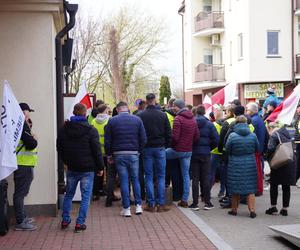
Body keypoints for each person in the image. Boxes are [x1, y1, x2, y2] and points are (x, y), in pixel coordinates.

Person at [57, 103, 104, 233]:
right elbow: (97, 151)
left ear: (73, 112)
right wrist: (100, 167)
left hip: (72, 168)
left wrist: (66, 162)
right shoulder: (91, 130)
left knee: (69, 195)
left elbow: (59, 148)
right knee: (85, 197)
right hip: (88, 169)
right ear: (85, 114)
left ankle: (65, 220)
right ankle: (80, 223)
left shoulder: (64, 129)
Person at [105, 102, 147, 217]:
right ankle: (138, 206)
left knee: (123, 180)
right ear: (127, 109)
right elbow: (143, 138)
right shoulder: (137, 120)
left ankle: (126, 208)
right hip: (133, 153)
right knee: (135, 180)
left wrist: (109, 155)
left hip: (119, 154)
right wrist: (139, 151)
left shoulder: (112, 121)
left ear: (118, 110)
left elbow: (108, 141)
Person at [138, 93, 172, 212]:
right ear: (155, 100)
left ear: (146, 101)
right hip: (160, 147)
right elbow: (169, 133)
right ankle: (161, 203)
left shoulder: (141, 115)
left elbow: (139, 134)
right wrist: (165, 145)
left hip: (147, 148)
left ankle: (151, 204)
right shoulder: (163, 115)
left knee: (148, 176)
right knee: (161, 176)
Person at [166, 99, 199, 208]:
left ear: (179, 107)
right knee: (185, 175)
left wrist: (172, 145)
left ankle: (160, 184)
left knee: (161, 155)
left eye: (174, 106)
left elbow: (175, 137)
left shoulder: (178, 119)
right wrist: (188, 144)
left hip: (177, 150)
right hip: (188, 151)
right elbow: (196, 136)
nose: (172, 108)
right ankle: (184, 199)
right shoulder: (193, 119)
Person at [225, 115, 259, 218]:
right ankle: (252, 210)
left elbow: (227, 149)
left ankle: (234, 210)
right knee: (251, 188)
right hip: (250, 163)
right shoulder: (253, 135)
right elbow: (257, 148)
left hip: (235, 163)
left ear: (236, 123)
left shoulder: (232, 136)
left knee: (235, 187)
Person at [189, 105, 219, 211]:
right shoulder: (209, 124)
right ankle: (207, 202)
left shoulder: (191, 123)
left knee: (195, 179)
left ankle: (195, 203)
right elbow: (216, 139)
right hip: (206, 154)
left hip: (194, 153)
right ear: (204, 112)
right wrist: (209, 148)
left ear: (196, 112)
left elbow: (188, 138)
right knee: (206, 178)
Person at [14, 103, 38, 231]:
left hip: (24, 163)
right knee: (20, 193)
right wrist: (34, 138)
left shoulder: (21, 125)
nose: (29, 114)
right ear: (23, 112)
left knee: (21, 193)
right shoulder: (21, 126)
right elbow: (31, 144)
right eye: (28, 111)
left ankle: (22, 216)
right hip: (23, 163)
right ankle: (20, 221)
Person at [265, 122, 296, 216]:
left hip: (279, 162)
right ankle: (284, 209)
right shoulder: (286, 133)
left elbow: (270, 148)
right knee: (286, 186)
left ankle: (273, 207)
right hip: (289, 161)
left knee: (274, 185)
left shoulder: (274, 135)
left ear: (270, 128)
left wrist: (268, 158)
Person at [91, 104, 110, 201]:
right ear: (105, 110)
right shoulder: (109, 120)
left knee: (98, 172)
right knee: (109, 172)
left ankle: (96, 192)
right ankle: (107, 192)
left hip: (97, 151)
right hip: (107, 151)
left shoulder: (93, 121)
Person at [209, 105, 225, 198]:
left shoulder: (213, 125)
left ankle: (208, 191)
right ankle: (222, 190)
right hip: (223, 151)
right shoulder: (226, 123)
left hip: (214, 151)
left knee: (212, 172)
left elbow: (211, 138)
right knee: (223, 172)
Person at [294, 104, 300, 181]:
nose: (297, 110)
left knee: (298, 161)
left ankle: (295, 178)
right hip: (298, 142)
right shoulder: (298, 118)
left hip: (299, 142)